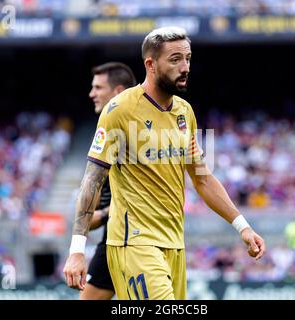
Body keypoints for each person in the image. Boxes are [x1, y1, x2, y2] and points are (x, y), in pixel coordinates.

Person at [63, 26, 265, 300]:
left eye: (188, 58)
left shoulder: (184, 112)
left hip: (174, 244)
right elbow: (92, 179)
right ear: (151, 64)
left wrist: (243, 226)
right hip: (134, 242)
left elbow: (202, 178)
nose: (185, 67)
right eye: (175, 60)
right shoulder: (119, 110)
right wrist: (77, 249)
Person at [79, 62, 137, 300]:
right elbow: (88, 218)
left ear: (118, 91)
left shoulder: (139, 132)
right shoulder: (105, 138)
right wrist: (108, 213)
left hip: (143, 241)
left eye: (98, 87)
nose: (92, 93)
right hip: (114, 240)